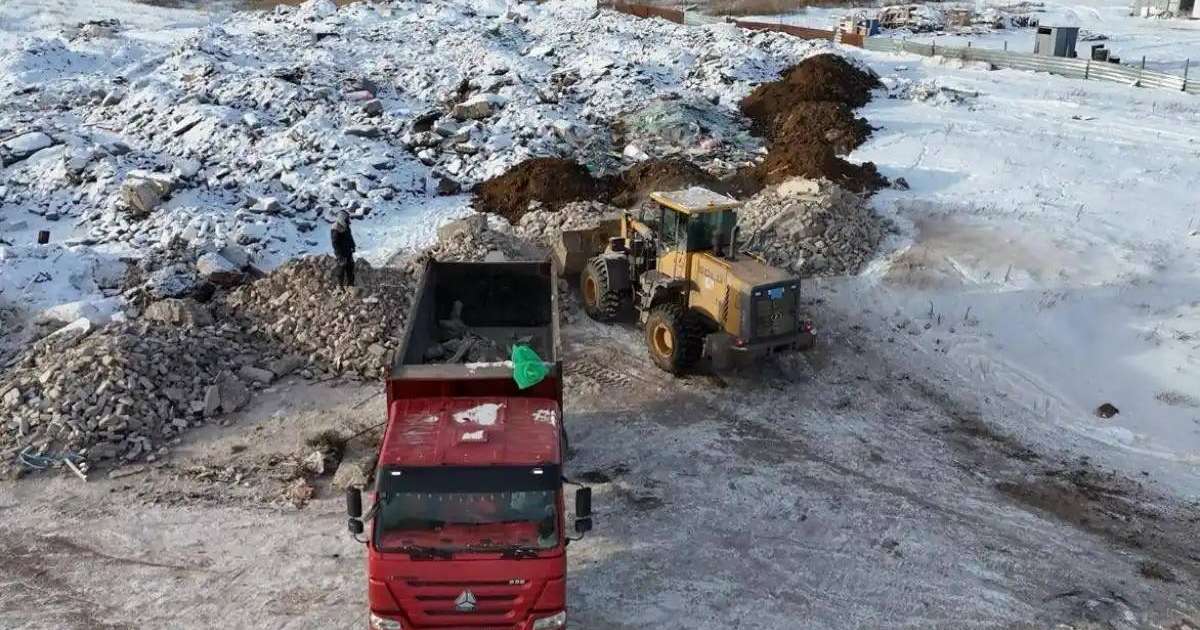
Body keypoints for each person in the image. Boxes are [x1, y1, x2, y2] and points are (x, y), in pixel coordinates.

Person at [331, 211, 356, 288]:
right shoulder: (336, 228)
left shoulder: (346, 226)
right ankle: (340, 286)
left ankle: (350, 284)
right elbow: (335, 243)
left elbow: (349, 237)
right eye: (347, 219)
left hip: (348, 251)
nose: (348, 220)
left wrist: (353, 245)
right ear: (342, 218)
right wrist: (339, 255)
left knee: (350, 267)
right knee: (341, 269)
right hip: (341, 253)